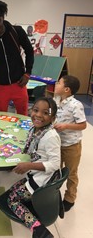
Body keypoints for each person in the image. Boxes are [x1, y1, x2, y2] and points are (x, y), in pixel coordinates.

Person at [7, 97, 60, 238]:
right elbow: (31, 148)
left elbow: (55, 164)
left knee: (11, 200)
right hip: (34, 174)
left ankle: (38, 230)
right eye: (36, 110)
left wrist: (28, 165)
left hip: (43, 179)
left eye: (45, 113)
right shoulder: (36, 129)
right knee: (12, 190)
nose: (38, 115)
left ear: (53, 118)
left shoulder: (51, 136)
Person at [0, 0, 34, 116]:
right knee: (0, 119)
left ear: (3, 18)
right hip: (1, 87)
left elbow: (29, 51)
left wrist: (27, 73)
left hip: (20, 84)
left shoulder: (17, 32)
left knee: (23, 117)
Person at [54, 75, 86, 212]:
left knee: (71, 172)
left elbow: (83, 125)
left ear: (66, 89)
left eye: (59, 82)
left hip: (72, 145)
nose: (56, 83)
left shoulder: (76, 105)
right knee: (56, 171)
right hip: (57, 143)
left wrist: (66, 126)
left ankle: (69, 198)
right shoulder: (56, 100)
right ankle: (52, 194)